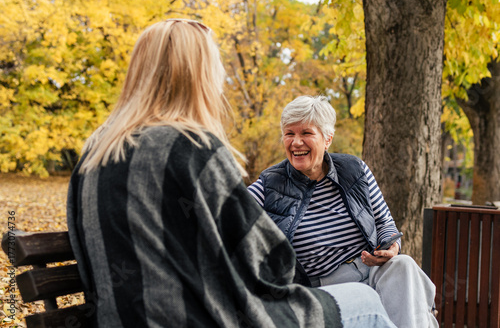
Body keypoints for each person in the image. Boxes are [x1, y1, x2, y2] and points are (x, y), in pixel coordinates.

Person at [66, 20, 397, 327]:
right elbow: (269, 263)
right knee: (365, 299)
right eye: (215, 68)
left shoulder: (95, 152)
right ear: (196, 75)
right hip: (205, 318)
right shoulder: (190, 147)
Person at [248, 95, 439, 328]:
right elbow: (228, 215)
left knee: (404, 265)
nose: (296, 142)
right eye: (289, 134)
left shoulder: (354, 169)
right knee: (376, 298)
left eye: (306, 133)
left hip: (370, 270)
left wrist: (391, 246)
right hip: (323, 286)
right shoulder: (269, 185)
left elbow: (385, 223)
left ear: (327, 139)